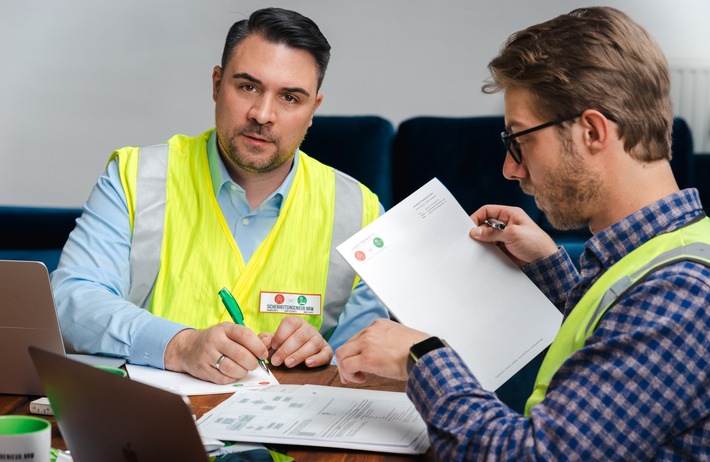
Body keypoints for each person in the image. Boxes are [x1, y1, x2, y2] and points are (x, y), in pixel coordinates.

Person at [336, 7, 710, 460]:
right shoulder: (665, 253)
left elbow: (532, 454)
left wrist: (422, 357)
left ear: (592, 131)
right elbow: (608, 327)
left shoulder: (677, 295)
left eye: (520, 139)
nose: (510, 169)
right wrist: (548, 266)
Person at [52, 7, 388, 384]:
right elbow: (71, 299)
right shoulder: (136, 176)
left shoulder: (361, 212)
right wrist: (178, 346)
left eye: (290, 98)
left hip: (288, 436)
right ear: (216, 84)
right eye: (248, 87)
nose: (263, 114)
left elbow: (369, 359)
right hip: (149, 423)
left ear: (313, 110)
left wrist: (324, 357)